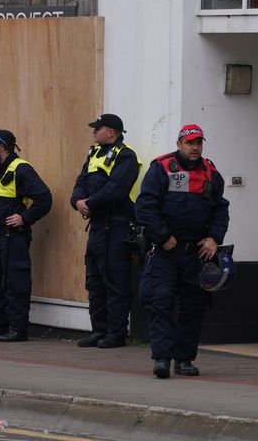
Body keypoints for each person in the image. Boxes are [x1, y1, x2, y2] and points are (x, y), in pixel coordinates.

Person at [136, 124, 229, 378]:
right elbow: (145, 207)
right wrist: (163, 237)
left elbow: (221, 209)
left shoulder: (211, 173)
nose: (195, 147)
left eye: (199, 143)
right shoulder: (162, 168)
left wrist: (214, 238)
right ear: (179, 144)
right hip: (165, 250)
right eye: (190, 143)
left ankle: (185, 359)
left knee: (193, 306)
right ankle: (162, 358)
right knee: (161, 301)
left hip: (197, 253)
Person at [70, 114, 142, 349]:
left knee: (115, 279)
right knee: (94, 280)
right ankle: (98, 330)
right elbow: (80, 182)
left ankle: (116, 332)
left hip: (117, 226)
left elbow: (116, 190)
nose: (94, 132)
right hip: (99, 226)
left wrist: (88, 203)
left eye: (97, 129)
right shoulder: (94, 154)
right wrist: (77, 201)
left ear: (111, 131)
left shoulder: (126, 156)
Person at [0, 129, 53, 343]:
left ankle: (18, 329)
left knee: (16, 282)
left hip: (14, 236)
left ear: (0, 147)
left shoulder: (21, 169)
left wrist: (24, 218)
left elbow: (44, 198)